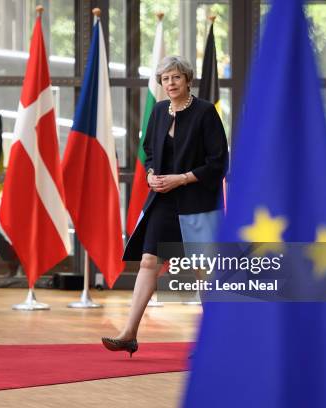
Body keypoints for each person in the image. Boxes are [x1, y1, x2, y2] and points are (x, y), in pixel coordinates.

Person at [101, 56, 228, 356]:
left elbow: (218, 163)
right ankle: (129, 333)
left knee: (200, 270)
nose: (170, 84)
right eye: (166, 79)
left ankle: (216, 340)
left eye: (176, 78)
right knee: (148, 262)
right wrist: (150, 174)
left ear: (188, 80)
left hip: (197, 201)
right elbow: (149, 151)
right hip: (163, 200)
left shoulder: (206, 112)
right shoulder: (159, 111)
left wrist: (181, 179)